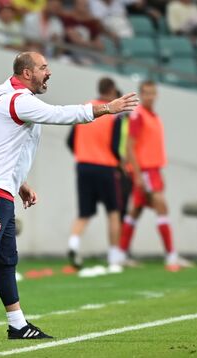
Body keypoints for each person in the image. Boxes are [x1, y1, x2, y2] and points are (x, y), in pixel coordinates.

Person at [0, 52, 138, 342]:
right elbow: (60, 114)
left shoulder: (9, 98)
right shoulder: (19, 101)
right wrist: (106, 108)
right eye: (43, 68)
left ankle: (18, 325)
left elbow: (1, 146)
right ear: (26, 73)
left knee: (7, 261)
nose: (49, 72)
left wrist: (20, 183)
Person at [118, 81, 192, 269]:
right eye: (147, 93)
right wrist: (138, 174)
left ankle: (119, 255)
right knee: (161, 206)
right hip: (145, 171)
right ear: (142, 95)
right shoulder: (138, 116)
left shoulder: (153, 116)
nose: (150, 96)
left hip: (153, 170)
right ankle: (171, 256)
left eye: (153, 93)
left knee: (135, 210)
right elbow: (129, 147)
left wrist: (157, 171)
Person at [66, 77, 127, 270]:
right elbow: (116, 146)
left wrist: (84, 153)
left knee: (84, 212)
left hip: (83, 166)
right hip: (106, 168)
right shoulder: (113, 113)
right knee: (113, 212)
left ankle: (73, 244)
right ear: (111, 91)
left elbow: (70, 141)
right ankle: (114, 257)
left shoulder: (85, 108)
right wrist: (120, 164)